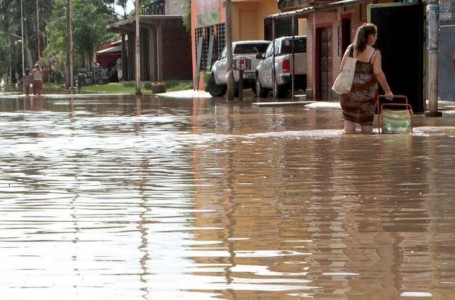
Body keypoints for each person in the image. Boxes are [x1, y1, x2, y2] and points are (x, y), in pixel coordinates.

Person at [339, 23, 393, 134]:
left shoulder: (350, 49)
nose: (376, 38)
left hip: (348, 92)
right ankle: (367, 149)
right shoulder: (375, 53)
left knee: (348, 120)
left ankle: (349, 149)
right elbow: (378, 72)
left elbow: (342, 68)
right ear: (371, 36)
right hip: (367, 95)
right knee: (366, 123)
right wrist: (387, 90)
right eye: (375, 35)